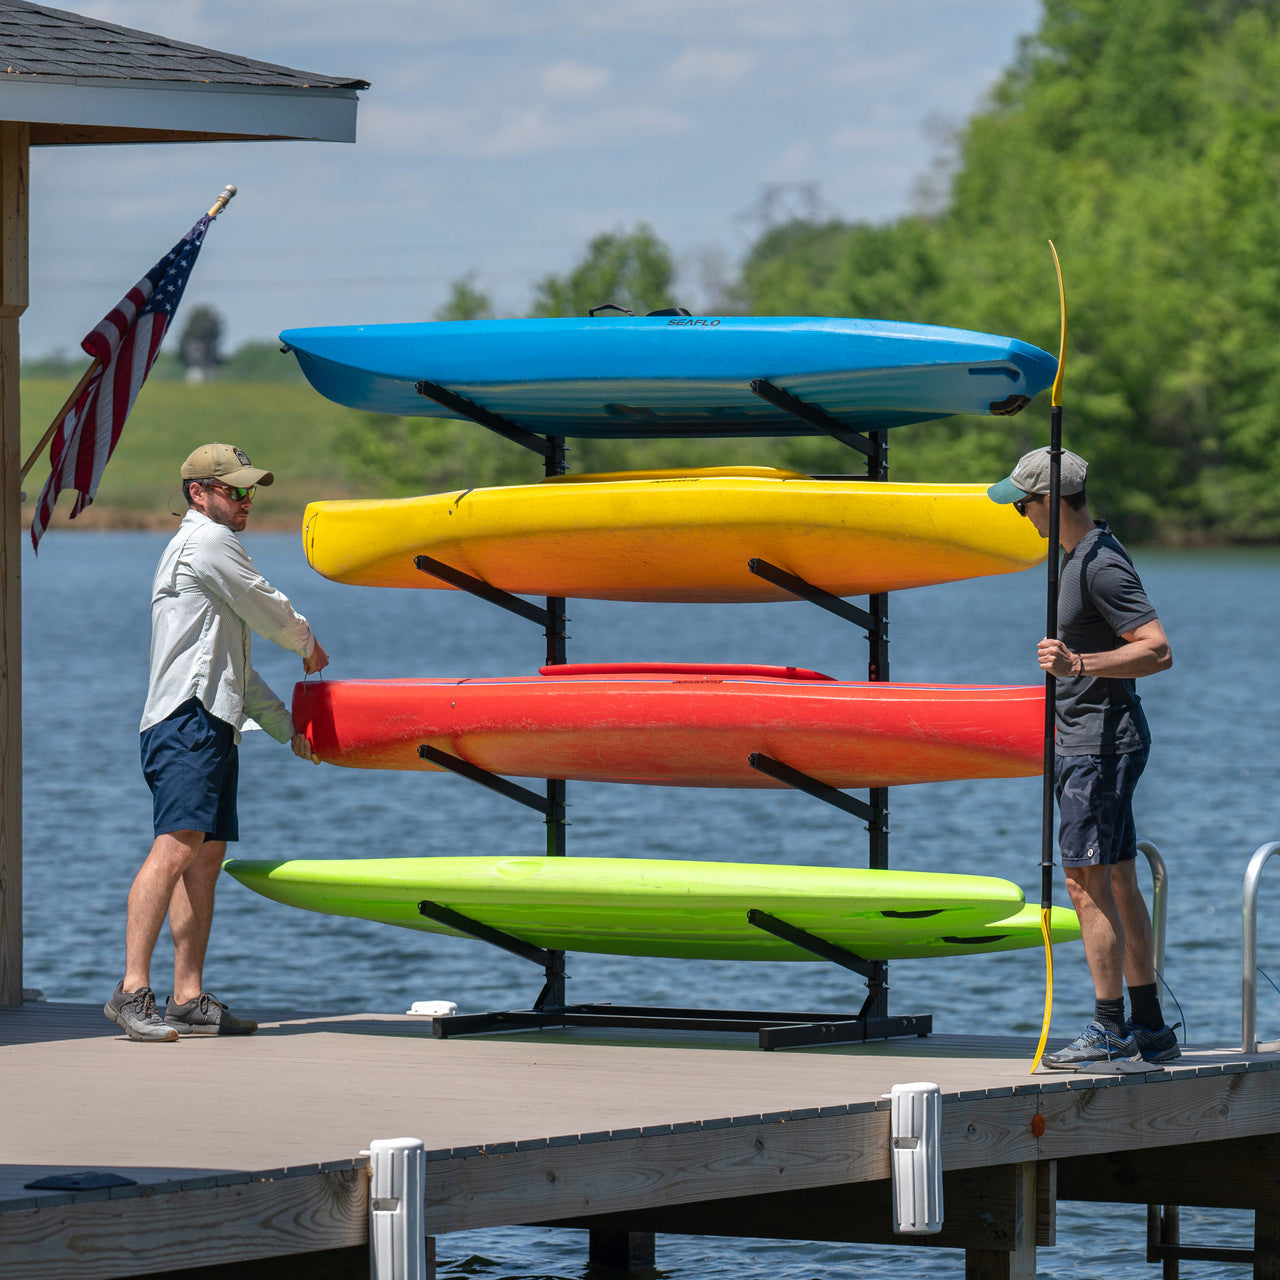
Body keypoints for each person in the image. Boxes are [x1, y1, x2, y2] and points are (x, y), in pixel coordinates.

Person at [104, 443, 329, 1042]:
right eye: (235, 490)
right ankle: (130, 992)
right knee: (175, 850)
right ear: (198, 494)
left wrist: (289, 732)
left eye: (250, 491)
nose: (246, 501)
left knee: (204, 860)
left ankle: (188, 996)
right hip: (186, 723)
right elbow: (267, 607)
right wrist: (307, 643)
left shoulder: (205, 554)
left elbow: (236, 673)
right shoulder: (206, 542)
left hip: (210, 721)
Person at [988, 446, 1177, 1068]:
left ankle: (1108, 1026)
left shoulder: (1099, 565)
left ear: (1049, 500)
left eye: (1023, 503)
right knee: (1117, 874)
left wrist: (1079, 665)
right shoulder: (1080, 557)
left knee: (1084, 880)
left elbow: (1156, 649)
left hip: (1097, 744)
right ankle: (1148, 1024)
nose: (1021, 514)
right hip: (1097, 739)